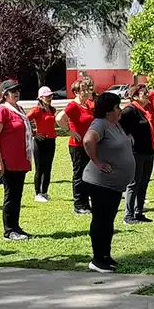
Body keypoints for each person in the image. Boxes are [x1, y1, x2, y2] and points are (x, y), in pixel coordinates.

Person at [83, 91, 136, 272]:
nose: (119, 110)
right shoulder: (100, 124)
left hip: (113, 185)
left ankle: (106, 255)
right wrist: (97, 162)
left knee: (108, 220)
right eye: (116, 107)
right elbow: (88, 140)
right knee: (101, 220)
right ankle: (97, 259)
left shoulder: (115, 124)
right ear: (107, 111)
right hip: (100, 183)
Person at [0, 80, 34, 240]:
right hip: (9, 160)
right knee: (11, 196)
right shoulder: (2, 110)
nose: (16, 92)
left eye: (17, 90)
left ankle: (16, 227)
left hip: (21, 160)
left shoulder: (19, 109)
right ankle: (9, 230)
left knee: (17, 195)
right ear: (4, 94)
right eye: (12, 90)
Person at [119, 84, 154, 225]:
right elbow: (119, 129)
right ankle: (128, 216)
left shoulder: (147, 110)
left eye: (147, 92)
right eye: (143, 93)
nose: (147, 95)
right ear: (135, 96)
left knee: (144, 183)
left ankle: (139, 212)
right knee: (133, 184)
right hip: (135, 153)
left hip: (148, 151)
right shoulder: (130, 111)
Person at [57, 81, 96, 214]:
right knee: (79, 175)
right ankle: (79, 204)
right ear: (76, 92)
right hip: (77, 146)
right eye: (83, 90)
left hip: (89, 144)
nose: (86, 92)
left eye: (86, 89)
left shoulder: (87, 105)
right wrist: (69, 131)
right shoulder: (73, 105)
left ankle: (86, 203)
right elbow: (59, 118)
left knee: (89, 174)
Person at [27, 87, 58, 202]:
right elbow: (25, 120)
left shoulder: (52, 110)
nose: (50, 98)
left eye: (50, 96)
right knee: (39, 168)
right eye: (47, 96)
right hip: (40, 141)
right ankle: (37, 193)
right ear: (40, 98)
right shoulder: (37, 110)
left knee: (48, 168)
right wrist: (34, 133)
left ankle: (45, 192)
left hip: (51, 140)